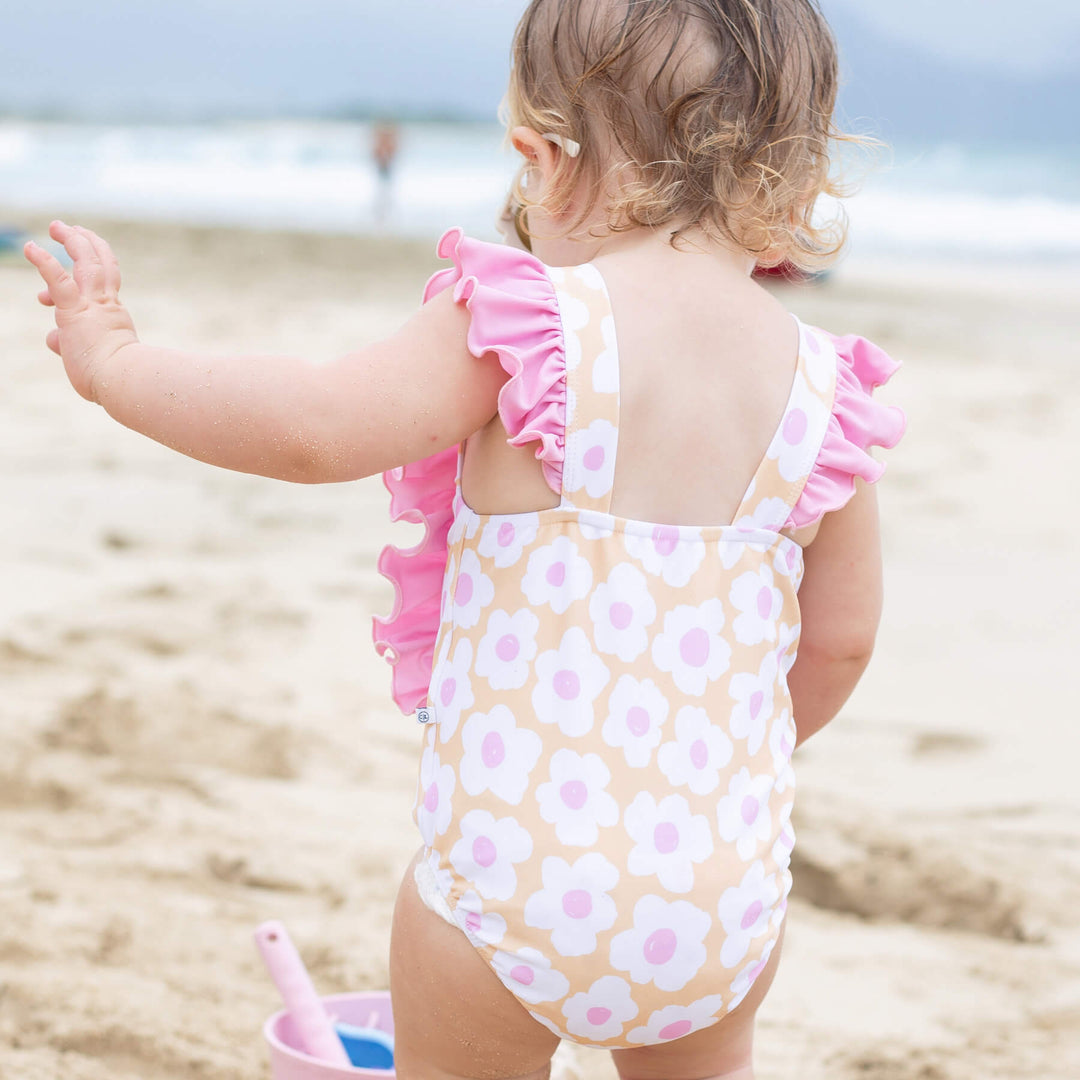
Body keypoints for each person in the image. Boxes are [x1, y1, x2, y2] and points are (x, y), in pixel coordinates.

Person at [24, 2, 905, 1076]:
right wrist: (700, 773)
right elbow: (843, 641)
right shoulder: (827, 391)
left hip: (514, 883)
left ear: (542, 154)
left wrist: (115, 363)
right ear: (790, 176)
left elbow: (312, 428)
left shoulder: (525, 322)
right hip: (720, 897)